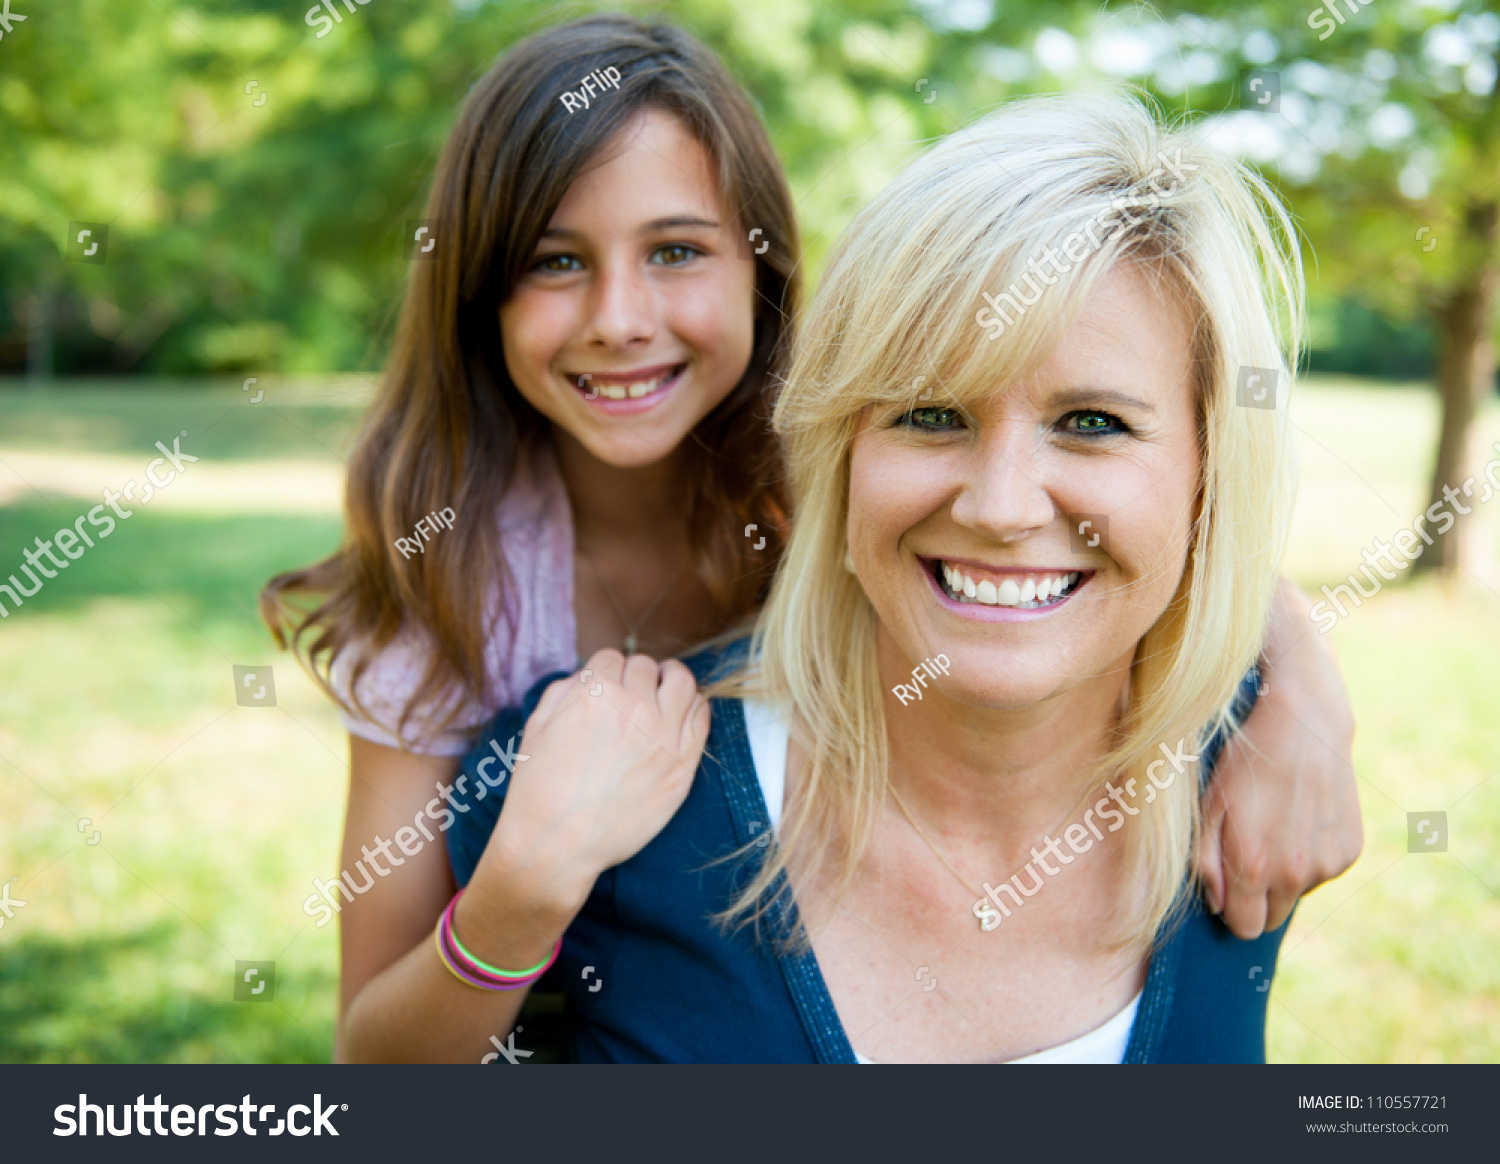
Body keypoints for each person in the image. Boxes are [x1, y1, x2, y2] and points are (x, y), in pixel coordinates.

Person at [260, 15, 1357, 1062]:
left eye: (677, 251)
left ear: (763, 269)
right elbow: (376, 1057)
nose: (620, 317)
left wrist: (1304, 693)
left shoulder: (818, 469)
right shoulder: (445, 591)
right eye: (553, 262)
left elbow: (1141, 531)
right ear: (478, 302)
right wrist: (524, 888)